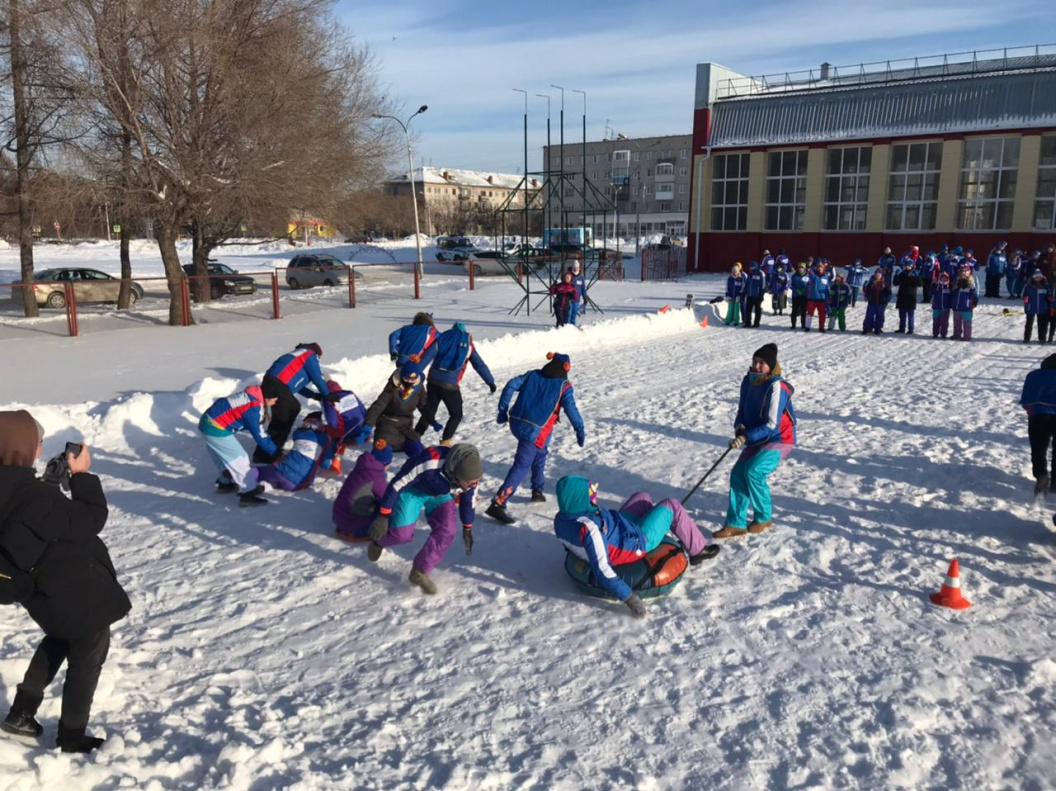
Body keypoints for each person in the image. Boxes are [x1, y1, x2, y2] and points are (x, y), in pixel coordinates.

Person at [0, 411, 131, 753]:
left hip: (40, 592)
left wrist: (47, 483)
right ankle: (72, 736)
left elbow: (26, 515)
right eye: (37, 442)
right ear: (23, 447)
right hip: (74, 592)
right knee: (87, 659)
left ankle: (21, 714)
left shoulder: (19, 489)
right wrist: (82, 476)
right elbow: (88, 520)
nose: (40, 447)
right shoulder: (34, 497)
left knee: (58, 638)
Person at [552, 476, 720, 619]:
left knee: (642, 497)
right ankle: (698, 550)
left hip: (619, 529)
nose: (594, 495)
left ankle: (654, 517)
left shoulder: (561, 519)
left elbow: (571, 544)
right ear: (579, 498)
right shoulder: (589, 529)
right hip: (635, 544)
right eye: (590, 493)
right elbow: (602, 569)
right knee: (672, 505)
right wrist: (631, 600)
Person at [366, 443, 483, 595]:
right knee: (401, 534)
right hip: (414, 490)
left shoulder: (470, 477)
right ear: (456, 474)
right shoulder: (429, 461)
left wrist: (468, 525)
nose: (475, 485)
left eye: (476, 481)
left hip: (440, 495)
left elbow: (469, 499)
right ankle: (379, 542)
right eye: (471, 482)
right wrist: (383, 515)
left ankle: (419, 572)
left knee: (447, 531)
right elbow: (398, 483)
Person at [485, 353, 585, 525]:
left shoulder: (533, 374)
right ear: (566, 368)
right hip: (535, 430)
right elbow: (571, 409)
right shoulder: (564, 386)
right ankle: (499, 502)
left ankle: (537, 490)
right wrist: (579, 428)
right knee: (522, 464)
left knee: (541, 453)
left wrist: (503, 410)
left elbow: (510, 385)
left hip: (516, 422)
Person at [714, 344, 797, 538]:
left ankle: (763, 517)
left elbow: (772, 424)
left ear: (771, 366)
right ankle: (735, 523)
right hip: (755, 436)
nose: (757, 366)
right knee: (738, 473)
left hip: (779, 438)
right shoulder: (748, 381)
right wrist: (739, 427)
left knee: (754, 470)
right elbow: (742, 409)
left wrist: (746, 437)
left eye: (762, 363)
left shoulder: (777, 386)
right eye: (755, 362)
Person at [413, 322, 496, 446]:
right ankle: (445, 440)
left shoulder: (442, 338)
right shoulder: (467, 344)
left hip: (433, 381)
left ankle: (414, 437)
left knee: (429, 411)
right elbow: (479, 364)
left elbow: (427, 356)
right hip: (450, 385)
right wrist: (490, 381)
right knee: (456, 414)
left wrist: (413, 373)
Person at [199, 384, 280, 506]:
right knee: (239, 458)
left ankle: (225, 483)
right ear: (267, 397)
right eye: (274, 400)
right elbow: (259, 435)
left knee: (222, 457)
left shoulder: (250, 396)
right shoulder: (253, 407)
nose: (274, 404)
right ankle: (248, 493)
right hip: (216, 427)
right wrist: (275, 452)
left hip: (207, 422)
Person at [256, 343, 333, 463]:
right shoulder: (309, 355)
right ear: (317, 353)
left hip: (272, 383)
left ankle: (269, 451)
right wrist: (327, 395)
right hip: (277, 385)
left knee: (291, 410)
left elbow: (298, 386)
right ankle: (267, 454)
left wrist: (314, 395)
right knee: (284, 417)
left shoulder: (297, 356)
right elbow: (317, 378)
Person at [357, 361, 427, 459]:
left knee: (419, 452)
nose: (410, 382)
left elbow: (424, 406)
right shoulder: (392, 387)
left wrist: (430, 418)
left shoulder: (419, 388)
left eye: (413, 379)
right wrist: (368, 425)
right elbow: (379, 405)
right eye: (407, 378)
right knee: (380, 455)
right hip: (387, 425)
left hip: (406, 428)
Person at [256, 413, 338, 492]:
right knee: (279, 481)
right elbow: (326, 465)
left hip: (281, 470)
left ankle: (258, 486)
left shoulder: (298, 433)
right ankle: (265, 487)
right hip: (298, 483)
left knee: (254, 472)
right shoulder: (325, 439)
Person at [333, 441, 393, 542]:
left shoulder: (362, 467)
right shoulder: (375, 475)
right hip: (354, 526)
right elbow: (387, 497)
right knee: (388, 508)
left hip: (338, 519)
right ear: (385, 463)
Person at [1020, 354, 1056, 496]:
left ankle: (1041, 475)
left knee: (1038, 448)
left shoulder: (1034, 376)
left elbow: (1026, 398)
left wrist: (1031, 410)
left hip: (1039, 415)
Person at [1023, 271, 1053, 344]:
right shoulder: (1028, 286)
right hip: (1031, 307)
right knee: (1029, 324)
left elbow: (1049, 295)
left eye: (1039, 277)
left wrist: (1050, 298)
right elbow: (1024, 295)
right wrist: (1025, 298)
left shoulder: (1046, 286)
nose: (1038, 278)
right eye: (1036, 277)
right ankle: (1027, 338)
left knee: (1042, 324)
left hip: (1042, 308)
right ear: (1033, 277)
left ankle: (1042, 338)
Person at [894, 260, 922, 334]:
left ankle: (911, 329)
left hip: (911, 297)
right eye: (906, 265)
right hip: (902, 296)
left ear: (912, 266)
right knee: (902, 314)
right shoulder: (902, 274)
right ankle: (901, 328)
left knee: (910, 315)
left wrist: (916, 276)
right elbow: (895, 283)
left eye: (909, 266)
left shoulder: (914, 273)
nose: (907, 267)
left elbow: (920, 283)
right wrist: (896, 275)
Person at [951, 268, 979, 341]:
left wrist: (975, 303)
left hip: (967, 308)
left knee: (967, 323)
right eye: (961, 274)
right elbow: (953, 294)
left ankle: (967, 336)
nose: (962, 275)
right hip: (957, 307)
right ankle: (957, 334)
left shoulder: (970, 286)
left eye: (964, 273)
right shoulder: (957, 284)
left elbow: (975, 295)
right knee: (957, 323)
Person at [862, 269, 891, 335]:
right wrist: (867, 294)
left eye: (879, 274)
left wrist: (887, 299)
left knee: (880, 316)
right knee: (869, 315)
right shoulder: (872, 282)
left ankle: (877, 328)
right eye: (876, 274)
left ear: (881, 275)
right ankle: (867, 328)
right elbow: (867, 290)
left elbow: (889, 292)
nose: (877, 276)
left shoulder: (885, 283)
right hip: (872, 301)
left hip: (881, 302)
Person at [805, 261, 831, 332]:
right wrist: (809, 267)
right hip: (812, 299)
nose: (820, 268)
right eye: (819, 267)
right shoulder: (814, 276)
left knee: (822, 314)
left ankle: (821, 327)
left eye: (821, 267)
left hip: (822, 299)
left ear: (823, 269)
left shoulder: (826, 277)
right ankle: (807, 326)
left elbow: (827, 287)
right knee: (809, 313)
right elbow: (809, 272)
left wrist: (829, 296)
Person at [743, 260, 767, 328]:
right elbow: (747, 284)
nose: (750, 269)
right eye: (750, 267)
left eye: (751, 267)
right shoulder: (750, 274)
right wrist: (745, 292)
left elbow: (763, 285)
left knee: (757, 310)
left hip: (757, 296)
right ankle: (748, 323)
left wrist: (761, 294)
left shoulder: (761, 273)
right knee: (748, 310)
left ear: (755, 267)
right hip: (749, 295)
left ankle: (756, 323)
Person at [931, 271, 953, 338]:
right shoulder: (937, 286)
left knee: (944, 322)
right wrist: (933, 285)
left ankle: (943, 334)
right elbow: (930, 293)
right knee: (936, 321)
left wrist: (951, 305)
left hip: (945, 307)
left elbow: (952, 296)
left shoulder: (949, 287)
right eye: (942, 278)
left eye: (945, 278)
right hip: (937, 306)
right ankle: (935, 333)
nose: (943, 280)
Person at [790, 262, 810, 329]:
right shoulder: (794, 276)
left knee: (803, 311)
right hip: (796, 296)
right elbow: (791, 285)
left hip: (804, 296)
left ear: (804, 268)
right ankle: (793, 325)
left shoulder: (808, 276)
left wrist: (805, 289)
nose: (800, 269)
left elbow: (810, 285)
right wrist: (796, 290)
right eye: (799, 267)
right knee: (794, 311)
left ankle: (803, 325)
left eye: (802, 267)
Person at [568, 261, 588, 325]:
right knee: (569, 313)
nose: (575, 269)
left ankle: (573, 325)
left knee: (574, 313)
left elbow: (583, 288)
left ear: (579, 268)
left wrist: (585, 297)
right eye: (574, 267)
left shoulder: (581, 277)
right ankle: (567, 326)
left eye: (577, 267)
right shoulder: (569, 275)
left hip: (577, 299)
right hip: (569, 298)